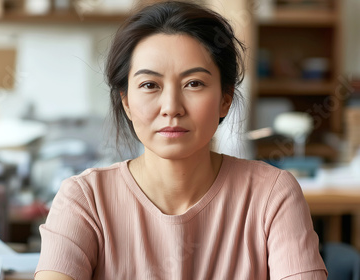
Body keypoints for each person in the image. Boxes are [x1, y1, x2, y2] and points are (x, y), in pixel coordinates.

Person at [35, 1, 327, 279]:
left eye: (194, 84)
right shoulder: (85, 199)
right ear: (126, 102)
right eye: (150, 85)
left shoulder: (272, 196)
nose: (171, 106)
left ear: (225, 100)